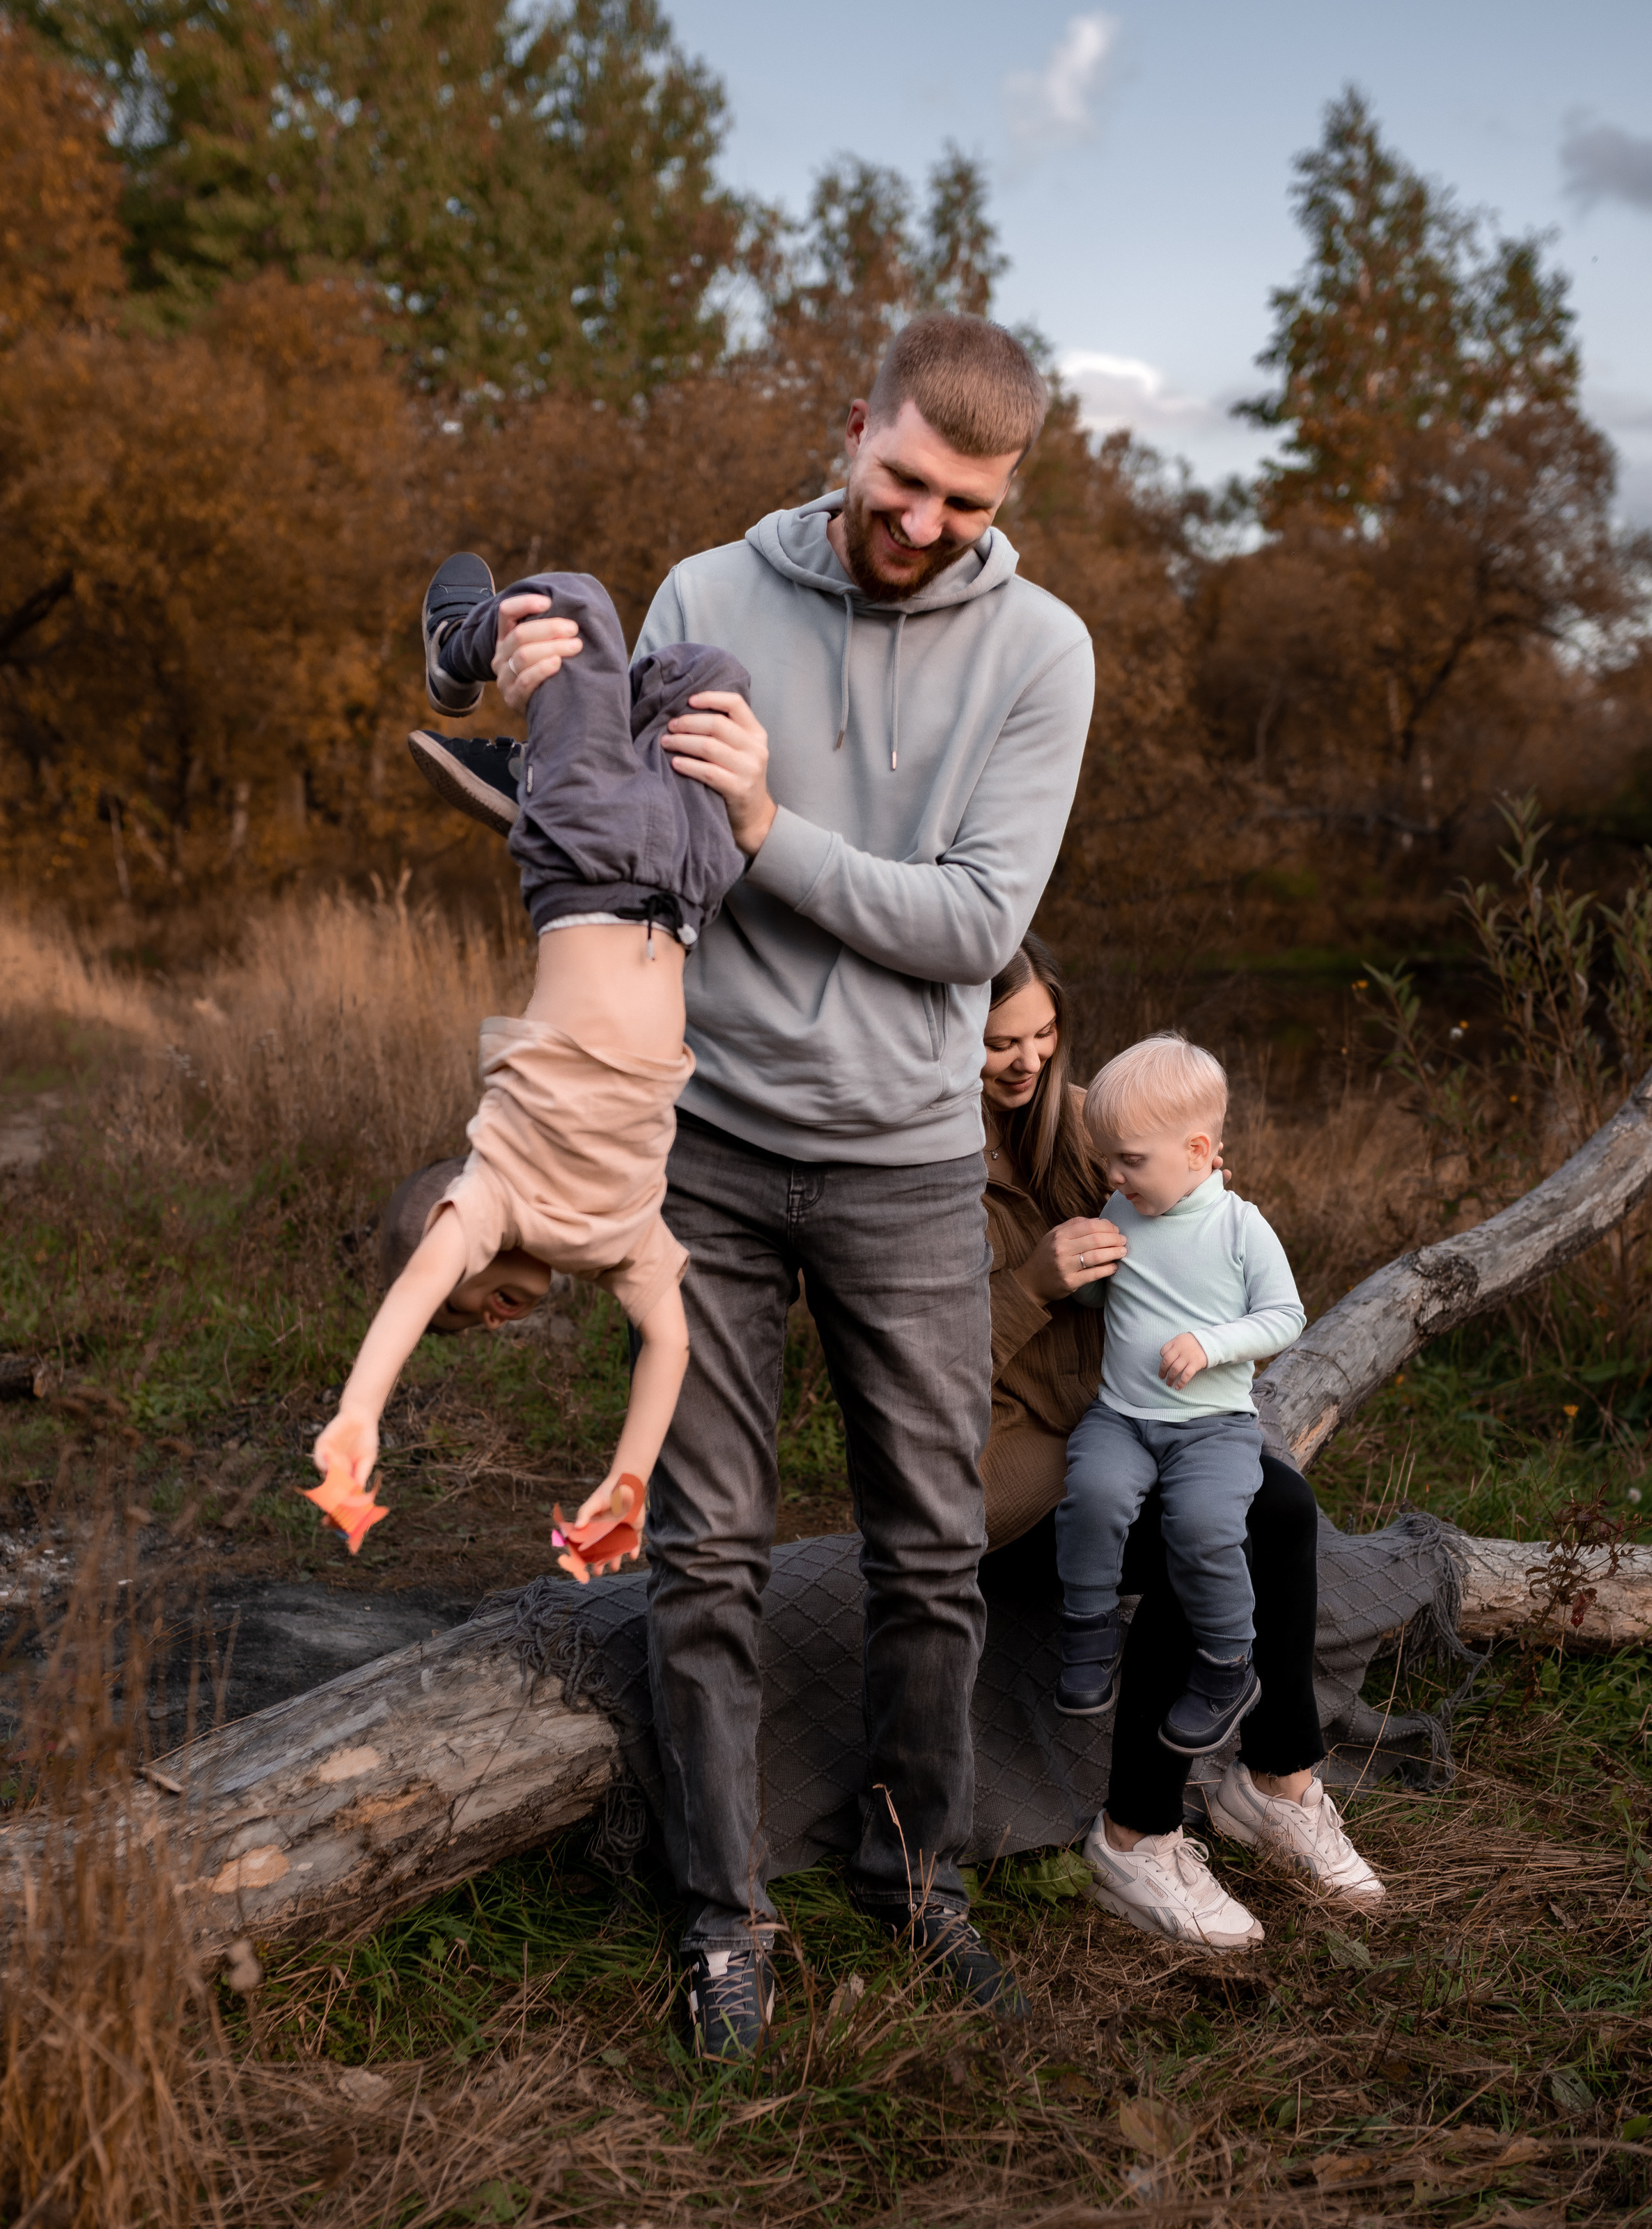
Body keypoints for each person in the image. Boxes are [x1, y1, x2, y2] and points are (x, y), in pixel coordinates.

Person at [425, 314, 1096, 2058]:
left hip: (905, 1158)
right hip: (704, 1145)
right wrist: (542, 711)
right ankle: (724, 1920)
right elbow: (630, 865)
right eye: (901, 481)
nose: (924, 522)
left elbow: (969, 922)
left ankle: (910, 1870)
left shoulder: (1041, 649)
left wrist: (769, 826)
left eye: (965, 499)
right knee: (705, 1552)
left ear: (1005, 490)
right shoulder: (708, 584)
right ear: (848, 428)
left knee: (930, 1552)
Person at [311, 563, 748, 1571]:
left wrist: (360, 1412)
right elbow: (671, 1349)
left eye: (467, 1302)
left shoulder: (494, 1195)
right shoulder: (621, 1241)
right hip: (687, 892)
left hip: (587, 867)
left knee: (573, 604)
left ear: (451, 1237)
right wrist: (629, 1481)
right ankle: (552, 755)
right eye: (482, 1322)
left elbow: (409, 1298)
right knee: (706, 675)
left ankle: (457, 643)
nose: (490, 1316)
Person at [976, 934, 1382, 1945]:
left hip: (1125, 1421)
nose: (1028, 1061)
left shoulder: (1085, 1128)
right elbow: (904, 1371)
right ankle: (1135, 1834)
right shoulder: (914, 1164)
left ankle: (1278, 1782)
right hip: (1003, 1468)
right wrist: (1028, 1284)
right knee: (1202, 1532)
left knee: (1278, 1503)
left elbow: (1187, 1204)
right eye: (998, 1044)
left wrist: (1201, 1205)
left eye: (1044, 1034)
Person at [1053, 1036, 1305, 1757]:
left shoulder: (1240, 1228)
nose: (1114, 1173)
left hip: (1211, 1425)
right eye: (1108, 1159)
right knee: (1093, 1495)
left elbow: (1286, 1317)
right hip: (1121, 1416)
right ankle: (1088, 1627)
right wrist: (1088, 1272)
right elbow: (1107, 1295)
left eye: (1129, 1159)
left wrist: (1211, 1342)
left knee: (1202, 1528)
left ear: (1198, 1150)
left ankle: (1228, 1663)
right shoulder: (1120, 1206)